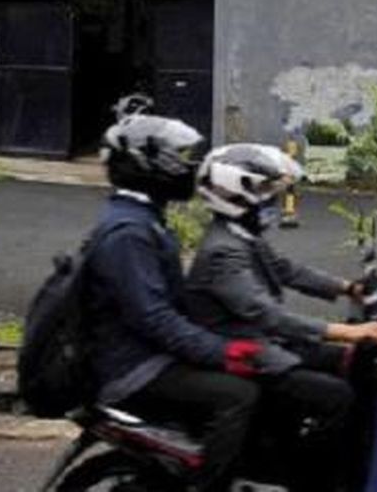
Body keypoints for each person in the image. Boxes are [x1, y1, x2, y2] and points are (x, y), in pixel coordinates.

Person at [84, 114, 289, 492]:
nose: (186, 168)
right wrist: (223, 352)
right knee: (240, 395)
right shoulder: (128, 233)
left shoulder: (143, 218)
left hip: (146, 354)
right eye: (175, 159)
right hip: (133, 367)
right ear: (145, 167)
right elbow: (154, 317)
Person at [184, 142, 377, 490]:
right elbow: (267, 316)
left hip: (264, 344)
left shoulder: (241, 235)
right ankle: (311, 479)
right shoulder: (223, 252)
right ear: (236, 195)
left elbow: (286, 269)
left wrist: (348, 288)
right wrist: (348, 331)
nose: (272, 200)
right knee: (337, 396)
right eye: (264, 191)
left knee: (350, 363)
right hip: (245, 354)